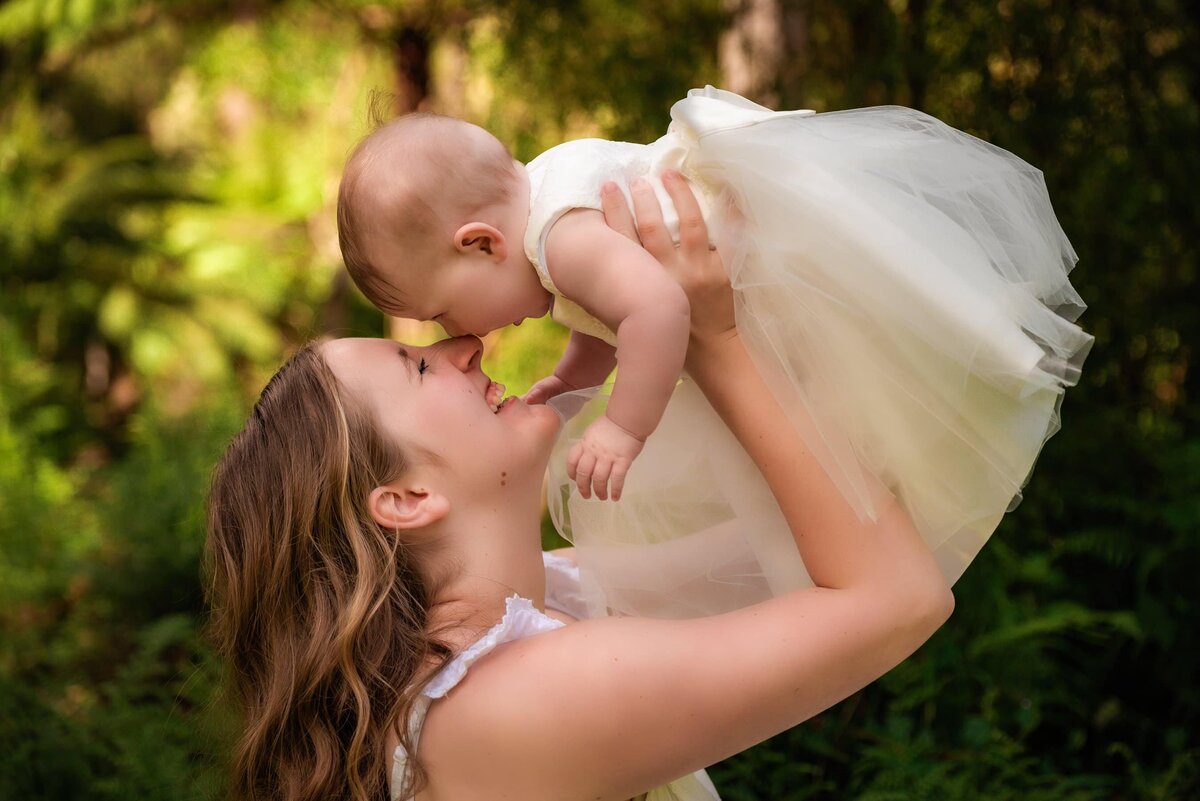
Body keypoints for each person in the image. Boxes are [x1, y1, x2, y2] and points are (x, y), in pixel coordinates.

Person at [206, 178, 955, 801]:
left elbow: (855, 539)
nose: (466, 346)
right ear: (405, 499)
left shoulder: (547, 608)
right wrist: (711, 337)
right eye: (420, 367)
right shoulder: (523, 696)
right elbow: (896, 596)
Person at [335, 87, 1093, 619]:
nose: (456, 339)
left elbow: (658, 307)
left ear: (480, 243)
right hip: (765, 282)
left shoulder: (559, 240)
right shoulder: (548, 217)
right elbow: (611, 312)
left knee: (859, 414)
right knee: (845, 431)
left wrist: (624, 426)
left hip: (776, 275)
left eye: (439, 314)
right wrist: (573, 376)